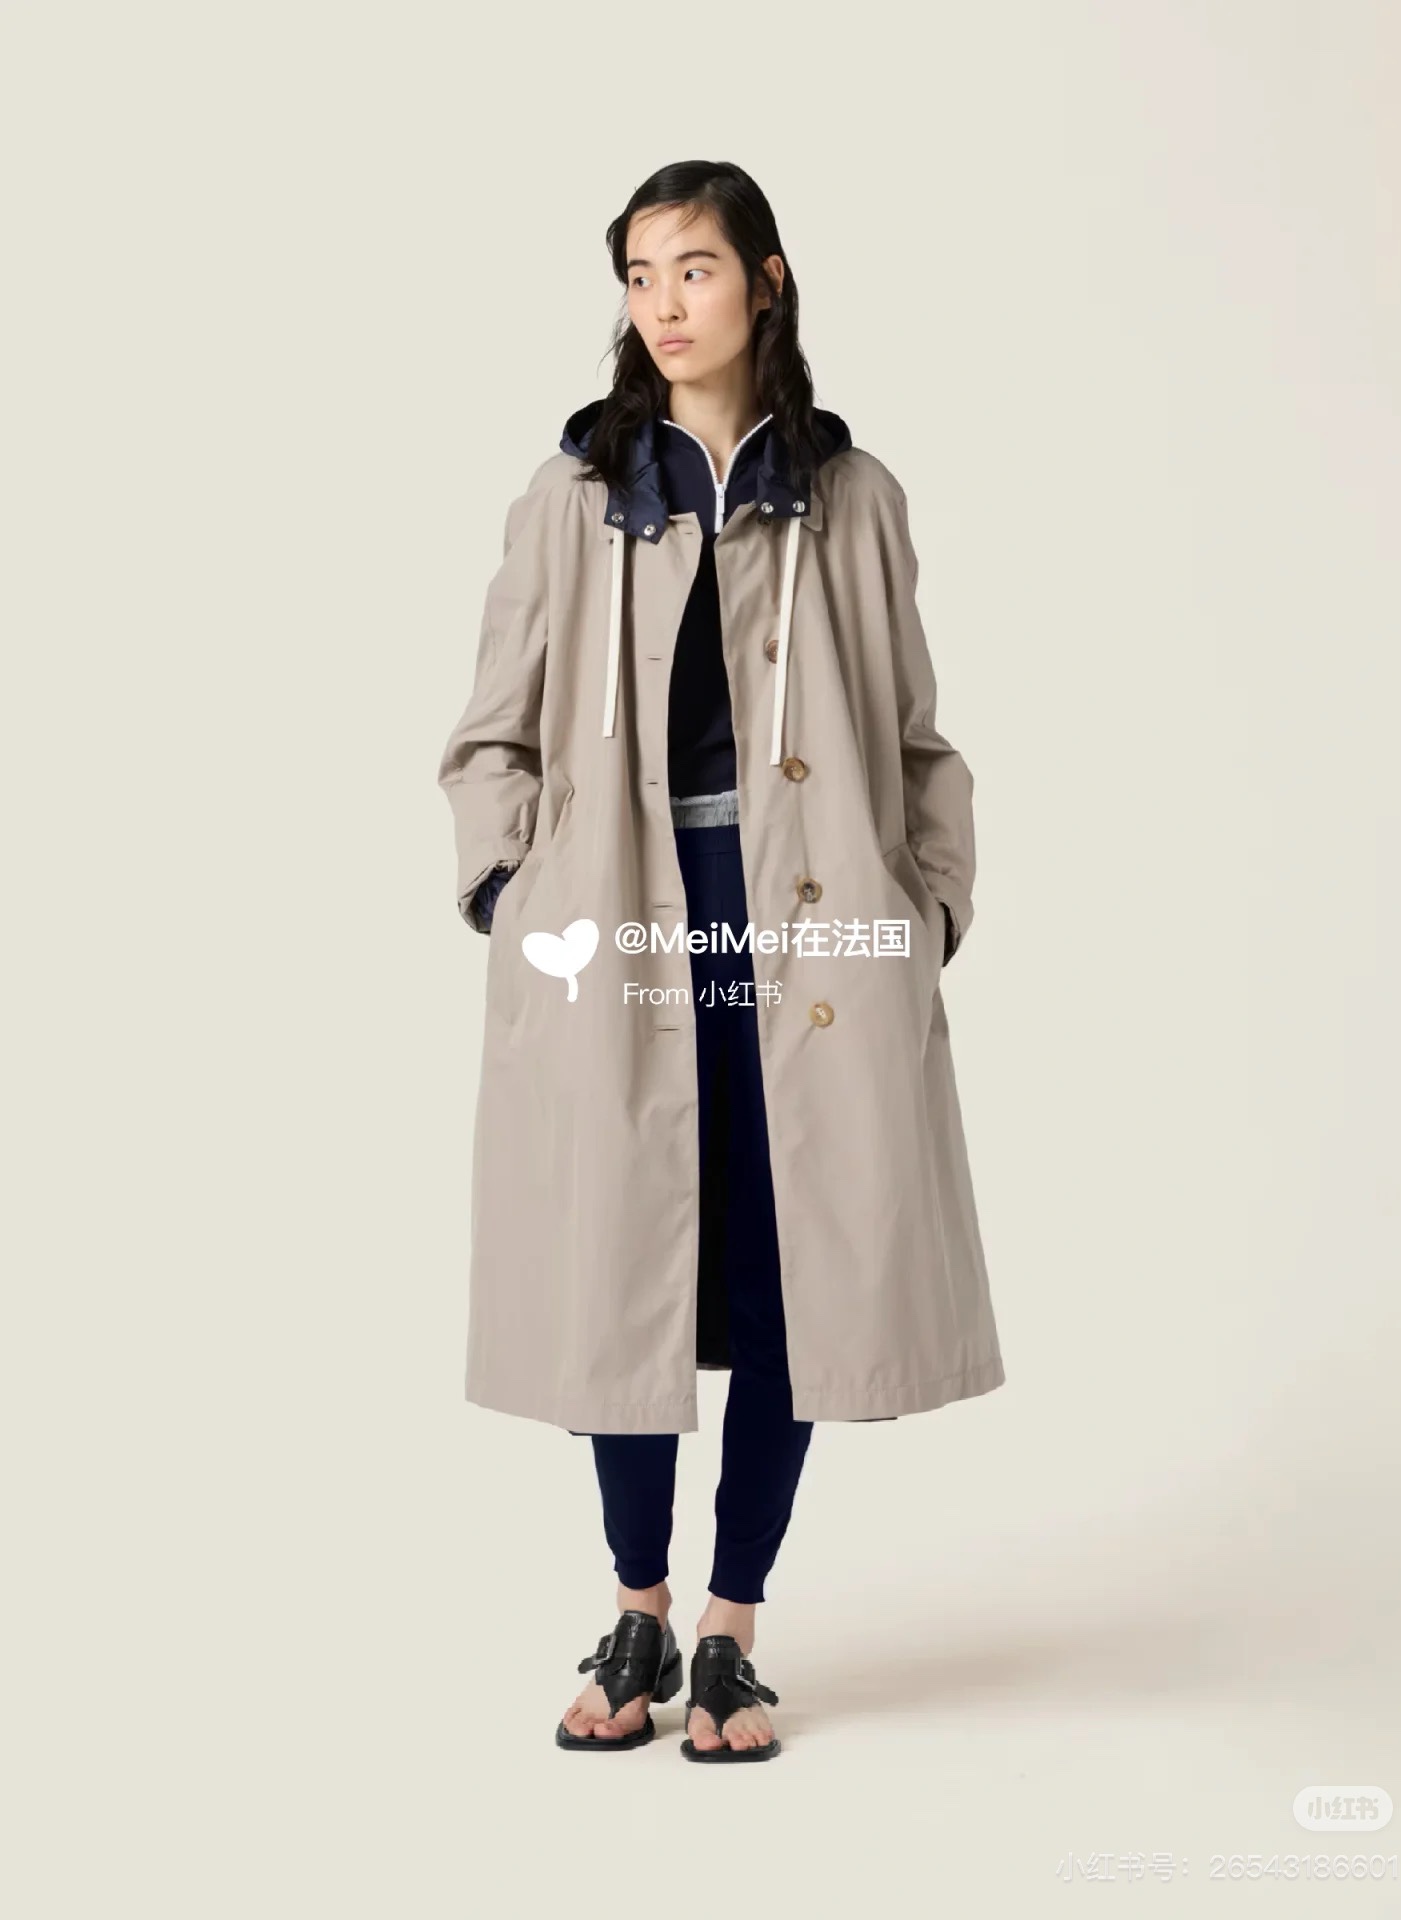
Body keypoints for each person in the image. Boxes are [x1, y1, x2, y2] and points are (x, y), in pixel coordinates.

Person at [436, 160, 1005, 1763]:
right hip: (619, 909)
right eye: (638, 276)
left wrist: (926, 912)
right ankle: (636, 1607)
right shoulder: (573, 495)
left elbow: (917, 740)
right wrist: (512, 886)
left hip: (811, 923)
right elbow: (488, 736)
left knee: (789, 1265)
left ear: (767, 277)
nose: (664, 304)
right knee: (618, 1255)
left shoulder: (853, 496)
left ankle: (731, 1629)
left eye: (693, 268)